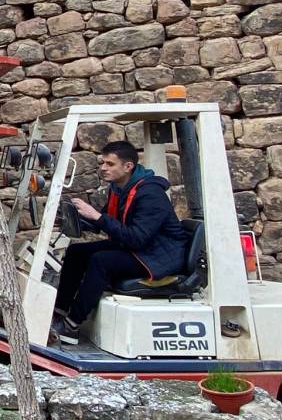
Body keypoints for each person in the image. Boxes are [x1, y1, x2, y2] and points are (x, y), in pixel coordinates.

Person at [50, 140, 189, 345]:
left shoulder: (151, 195)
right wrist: (73, 219)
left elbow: (137, 237)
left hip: (157, 257)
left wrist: (97, 217)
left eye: (109, 164)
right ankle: (58, 312)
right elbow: (107, 221)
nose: (103, 168)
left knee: (102, 260)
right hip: (140, 249)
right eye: (102, 163)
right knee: (77, 252)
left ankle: (71, 326)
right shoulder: (119, 189)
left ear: (128, 166)